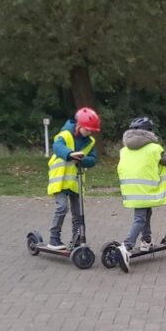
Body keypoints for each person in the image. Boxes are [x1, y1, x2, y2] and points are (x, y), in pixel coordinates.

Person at [115, 117, 166, 272]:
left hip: (130, 189)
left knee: (145, 212)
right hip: (145, 189)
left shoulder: (124, 149)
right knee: (140, 218)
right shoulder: (153, 148)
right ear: (149, 132)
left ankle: (146, 241)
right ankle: (126, 247)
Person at [46, 107, 101, 250]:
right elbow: (57, 147)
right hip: (60, 180)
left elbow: (93, 159)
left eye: (91, 130)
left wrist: (82, 160)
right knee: (62, 208)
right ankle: (54, 239)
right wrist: (70, 154)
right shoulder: (65, 135)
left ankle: (77, 240)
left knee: (78, 213)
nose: (89, 133)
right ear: (79, 125)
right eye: (87, 129)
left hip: (75, 182)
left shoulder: (90, 141)